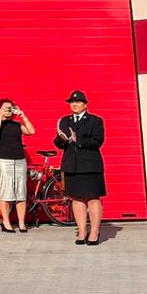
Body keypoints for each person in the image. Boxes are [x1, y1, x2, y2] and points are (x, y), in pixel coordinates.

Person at [55, 90, 107, 246]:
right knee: (77, 199)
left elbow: (98, 141)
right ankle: (82, 231)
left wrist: (78, 141)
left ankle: (94, 231)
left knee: (92, 198)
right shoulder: (65, 121)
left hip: (90, 164)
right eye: (72, 102)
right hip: (71, 165)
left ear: (85, 104)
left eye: (78, 102)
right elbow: (58, 142)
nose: (74, 104)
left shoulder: (95, 121)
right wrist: (63, 140)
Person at [0, 98, 35, 233]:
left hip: (20, 160)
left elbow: (31, 131)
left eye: (10, 108)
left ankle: (21, 222)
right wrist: (0, 115)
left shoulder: (17, 125)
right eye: (5, 108)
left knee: (21, 192)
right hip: (4, 161)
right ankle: (6, 222)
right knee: (6, 191)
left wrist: (23, 115)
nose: (8, 110)